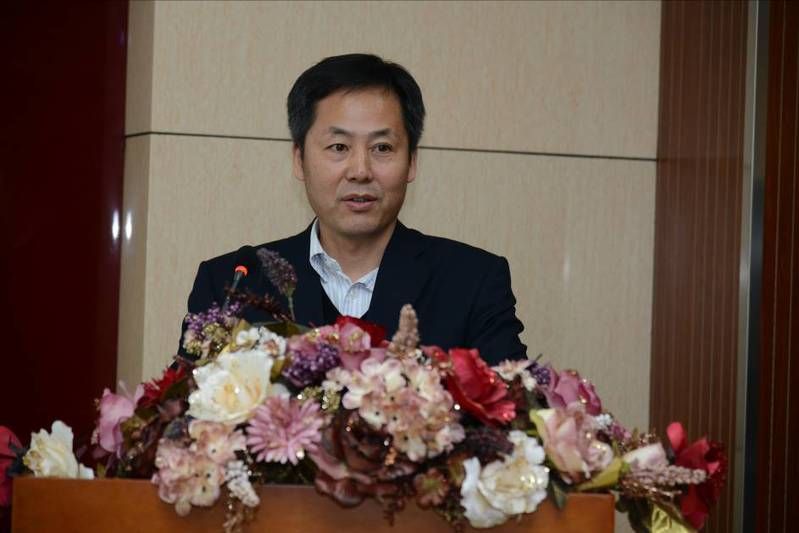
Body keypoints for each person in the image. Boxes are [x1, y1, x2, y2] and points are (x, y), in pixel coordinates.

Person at [183, 53, 525, 364]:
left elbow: (515, 405)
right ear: (299, 160)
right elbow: (181, 406)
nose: (360, 170)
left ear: (411, 162)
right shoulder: (233, 283)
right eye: (338, 146)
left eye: (382, 148)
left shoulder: (472, 281)